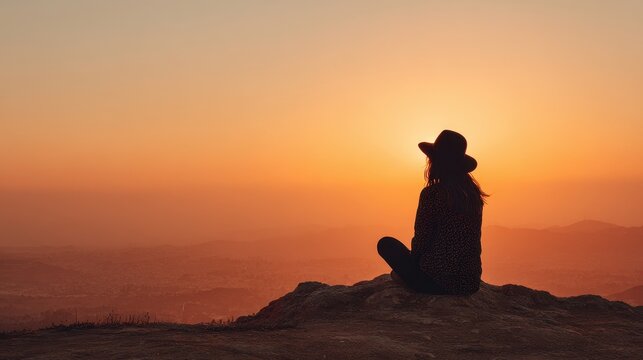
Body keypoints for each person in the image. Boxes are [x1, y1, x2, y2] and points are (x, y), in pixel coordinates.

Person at [377, 130, 488, 295]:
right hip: (469, 283)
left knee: (386, 244)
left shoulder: (433, 194)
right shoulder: (472, 195)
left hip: (437, 283)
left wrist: (407, 269)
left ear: (435, 162)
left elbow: (422, 240)